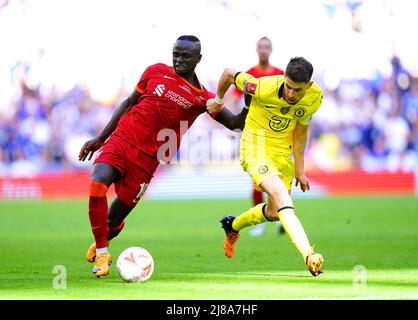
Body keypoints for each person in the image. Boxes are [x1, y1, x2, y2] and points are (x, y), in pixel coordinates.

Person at [78, 35, 248, 278]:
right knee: (97, 184)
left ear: (198, 59)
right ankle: (103, 252)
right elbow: (128, 103)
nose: (179, 59)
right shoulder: (155, 71)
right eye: (175, 54)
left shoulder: (203, 98)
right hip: (123, 139)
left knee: (113, 219)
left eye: (185, 56)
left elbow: (233, 124)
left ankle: (103, 238)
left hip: (148, 159)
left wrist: (249, 103)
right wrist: (100, 138)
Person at [207, 57, 324, 276]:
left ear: (308, 86)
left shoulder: (314, 98)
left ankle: (233, 226)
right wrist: (218, 100)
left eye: (297, 90)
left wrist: (299, 168)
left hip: (282, 154)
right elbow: (229, 73)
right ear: (284, 79)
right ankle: (309, 255)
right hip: (255, 148)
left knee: (274, 212)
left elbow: (300, 131)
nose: (290, 94)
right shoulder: (260, 86)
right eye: (288, 87)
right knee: (282, 196)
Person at [231, 36, 285, 237]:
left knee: (280, 175)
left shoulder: (280, 74)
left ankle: (281, 215)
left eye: (267, 47)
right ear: (256, 49)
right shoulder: (249, 74)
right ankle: (260, 221)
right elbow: (236, 99)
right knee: (258, 179)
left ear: (271, 49)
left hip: (277, 134)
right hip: (256, 133)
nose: (264, 50)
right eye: (261, 47)